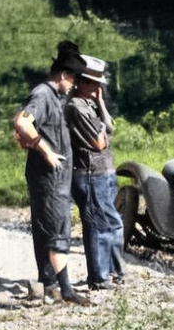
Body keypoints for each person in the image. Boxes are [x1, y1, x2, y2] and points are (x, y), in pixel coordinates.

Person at [12, 40, 92, 305]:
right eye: (73, 80)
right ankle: (66, 289)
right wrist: (43, 149)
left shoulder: (53, 96)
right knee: (56, 230)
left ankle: (50, 286)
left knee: (48, 229)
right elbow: (21, 122)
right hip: (48, 177)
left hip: (53, 177)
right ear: (63, 75)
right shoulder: (43, 94)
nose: (73, 86)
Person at [65, 55, 126, 291]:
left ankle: (112, 272)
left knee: (110, 222)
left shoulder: (89, 105)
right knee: (99, 225)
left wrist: (100, 103)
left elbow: (110, 127)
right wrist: (101, 126)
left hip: (102, 172)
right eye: (92, 83)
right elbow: (100, 142)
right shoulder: (76, 108)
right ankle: (99, 277)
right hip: (90, 174)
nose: (96, 88)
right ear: (80, 82)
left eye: (98, 84)